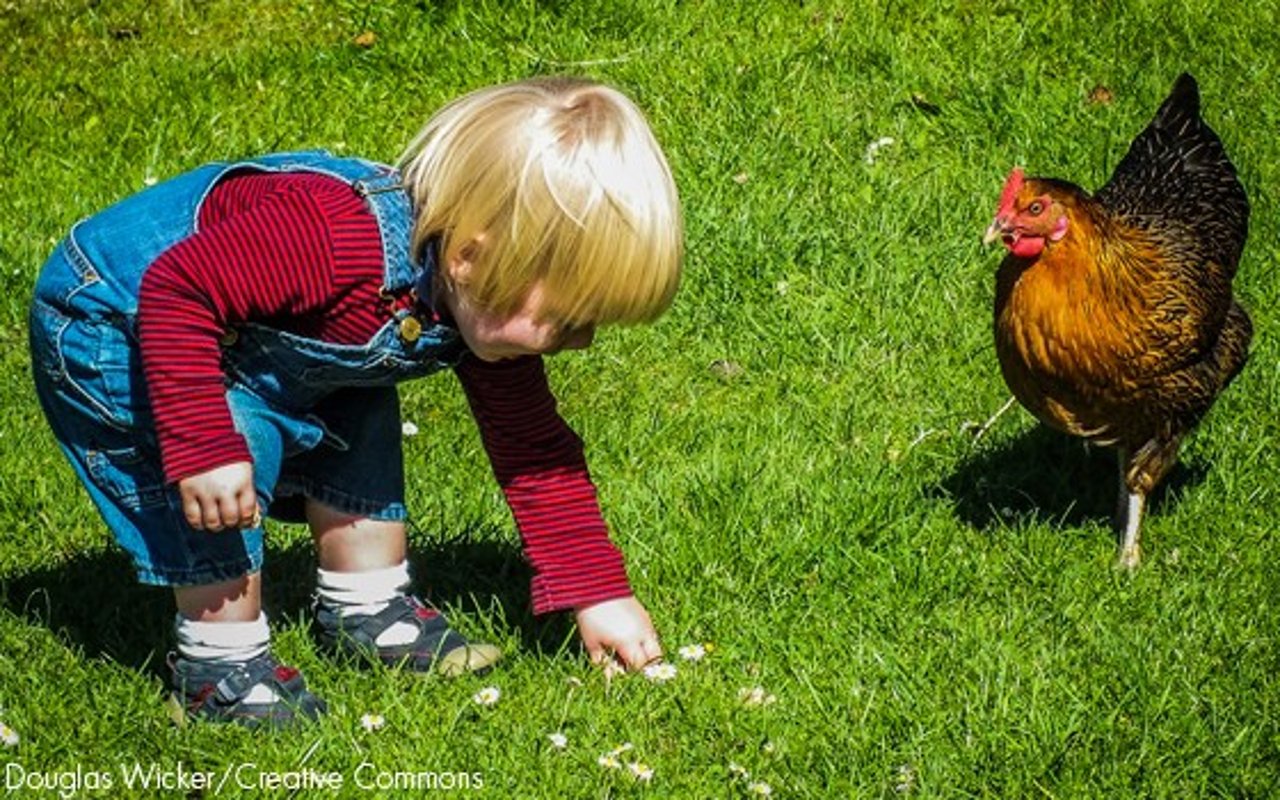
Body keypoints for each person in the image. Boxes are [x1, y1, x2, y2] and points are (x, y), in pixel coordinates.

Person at [27, 76, 683, 727]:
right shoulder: (334, 239)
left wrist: (599, 593)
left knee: (358, 401)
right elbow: (178, 290)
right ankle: (218, 669)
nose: (582, 343)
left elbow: (536, 452)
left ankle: (366, 608)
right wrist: (202, 444)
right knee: (227, 461)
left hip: (241, 329)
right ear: (471, 259)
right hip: (118, 315)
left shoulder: (477, 302)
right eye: (570, 319)